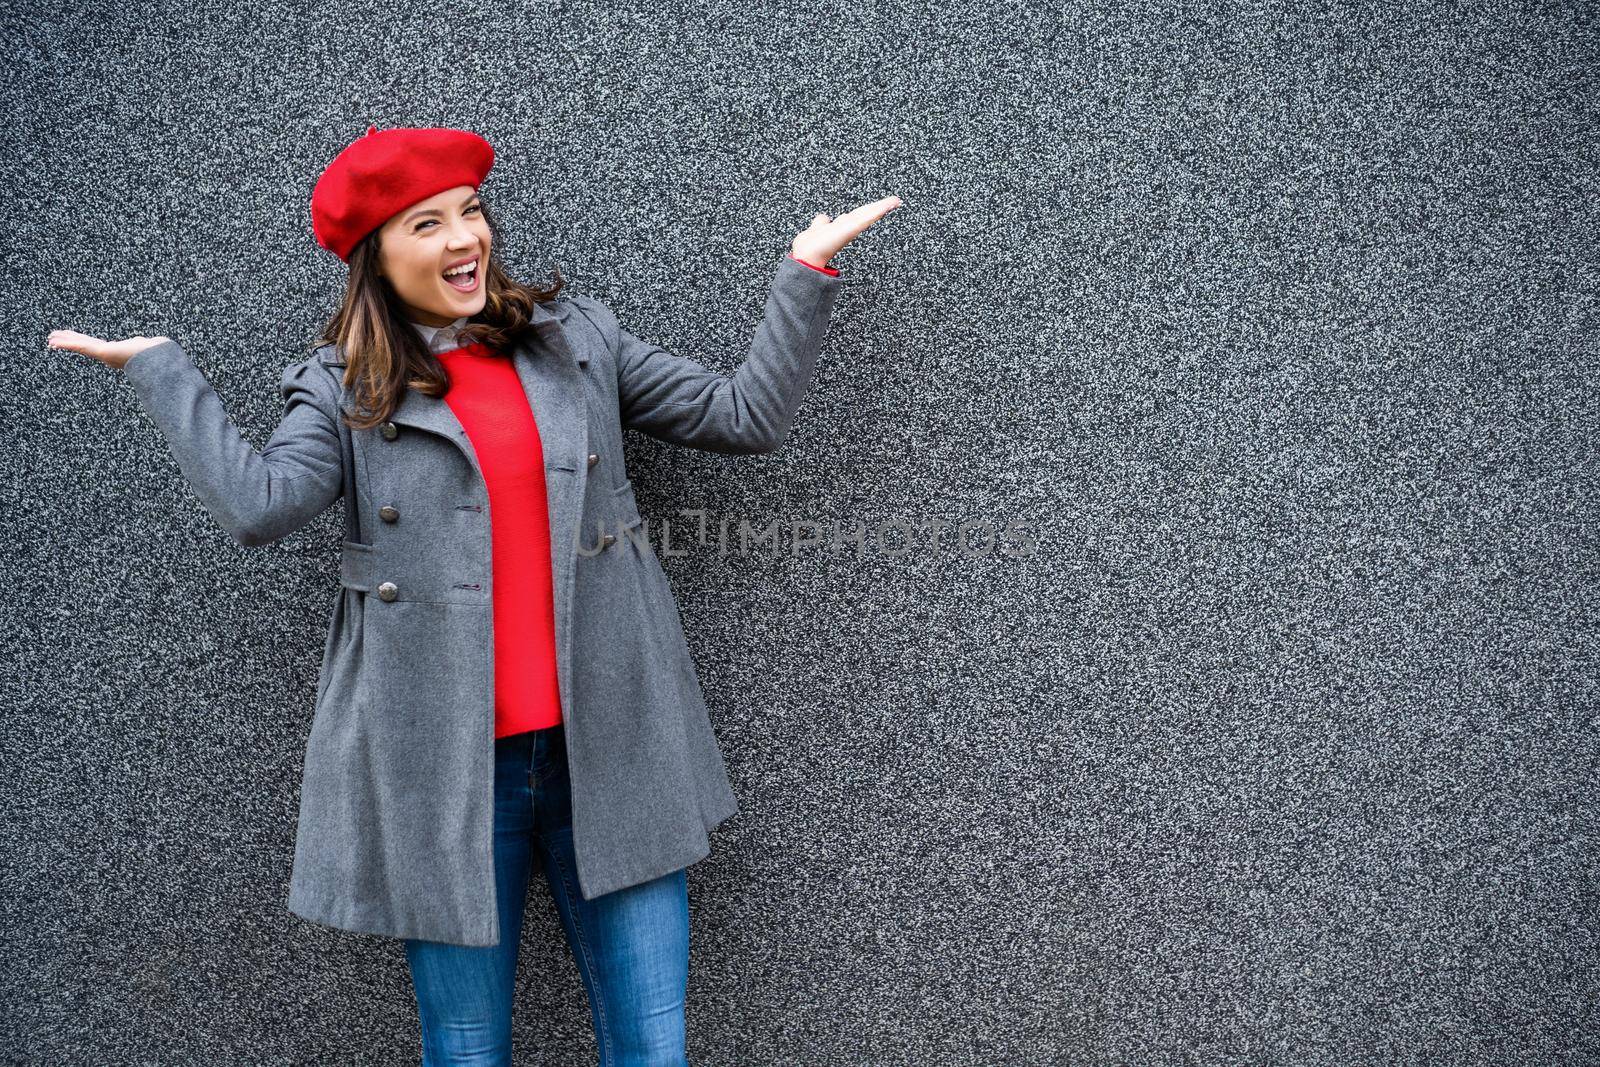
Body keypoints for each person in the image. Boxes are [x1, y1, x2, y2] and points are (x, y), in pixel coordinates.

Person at [45, 125, 902, 1066]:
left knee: (654, 1045)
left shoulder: (576, 340)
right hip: (447, 772)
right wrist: (162, 369)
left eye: (471, 212)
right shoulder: (345, 388)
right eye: (428, 224)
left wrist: (804, 270)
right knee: (464, 1048)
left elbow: (745, 415)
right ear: (377, 255)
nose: (465, 239)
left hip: (610, 745)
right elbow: (260, 508)